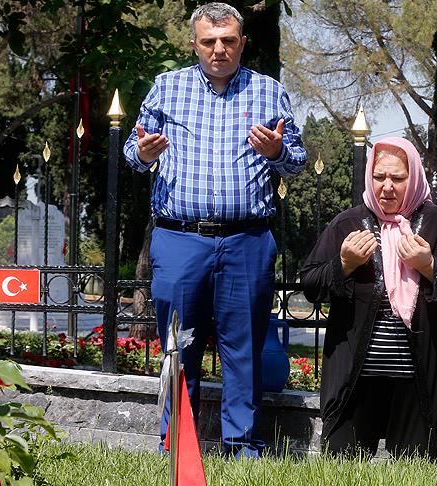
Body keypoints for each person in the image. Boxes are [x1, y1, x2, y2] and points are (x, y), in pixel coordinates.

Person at [122, 2, 306, 458]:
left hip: (247, 240)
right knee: (177, 345)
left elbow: (297, 161)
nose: (219, 49)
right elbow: (131, 152)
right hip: (180, 239)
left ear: (243, 43)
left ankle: (243, 447)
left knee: (243, 349)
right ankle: (176, 445)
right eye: (209, 41)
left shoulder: (269, 91)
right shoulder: (167, 88)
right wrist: (143, 153)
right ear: (194, 45)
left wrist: (278, 152)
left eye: (228, 41)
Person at [300, 137, 437, 462]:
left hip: (420, 380)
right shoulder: (348, 223)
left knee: (418, 467)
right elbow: (311, 284)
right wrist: (344, 265)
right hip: (356, 379)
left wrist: (429, 266)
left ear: (414, 178)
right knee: (341, 465)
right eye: (379, 177)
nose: (386, 187)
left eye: (397, 178)